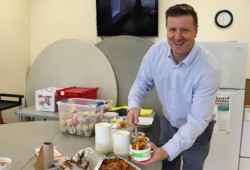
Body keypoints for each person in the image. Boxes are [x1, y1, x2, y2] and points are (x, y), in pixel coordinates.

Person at [127, 3, 221, 170]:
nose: (177, 37)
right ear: (166, 29)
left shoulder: (208, 68)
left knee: (192, 167)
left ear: (196, 31)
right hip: (169, 123)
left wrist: (165, 151)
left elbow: (197, 120)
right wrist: (134, 105)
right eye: (172, 30)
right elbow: (142, 82)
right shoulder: (155, 53)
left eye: (185, 30)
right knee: (168, 166)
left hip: (197, 129)